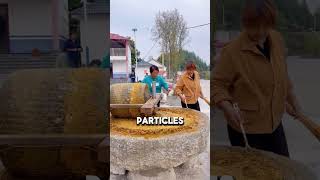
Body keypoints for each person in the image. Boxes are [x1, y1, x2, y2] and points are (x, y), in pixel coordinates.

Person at [212, 0, 301, 157]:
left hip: (274, 125)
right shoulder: (232, 52)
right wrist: (227, 107)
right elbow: (217, 85)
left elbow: (282, 75)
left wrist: (293, 100)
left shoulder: (277, 40)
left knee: (282, 172)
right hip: (247, 130)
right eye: (254, 26)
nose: (260, 31)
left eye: (265, 26)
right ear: (245, 24)